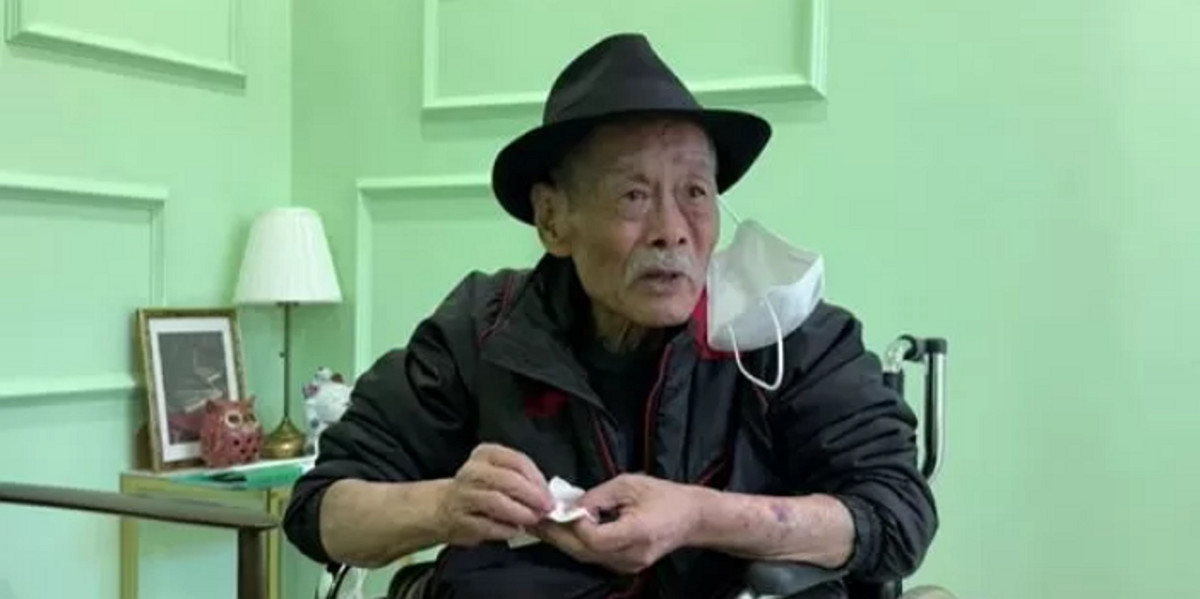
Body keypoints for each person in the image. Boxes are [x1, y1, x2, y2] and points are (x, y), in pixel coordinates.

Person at [282, 33, 937, 599]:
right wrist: (442, 506)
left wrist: (700, 516)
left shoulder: (787, 334)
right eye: (633, 195)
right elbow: (321, 510)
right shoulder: (481, 330)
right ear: (553, 219)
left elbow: (898, 512)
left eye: (695, 192)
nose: (672, 230)